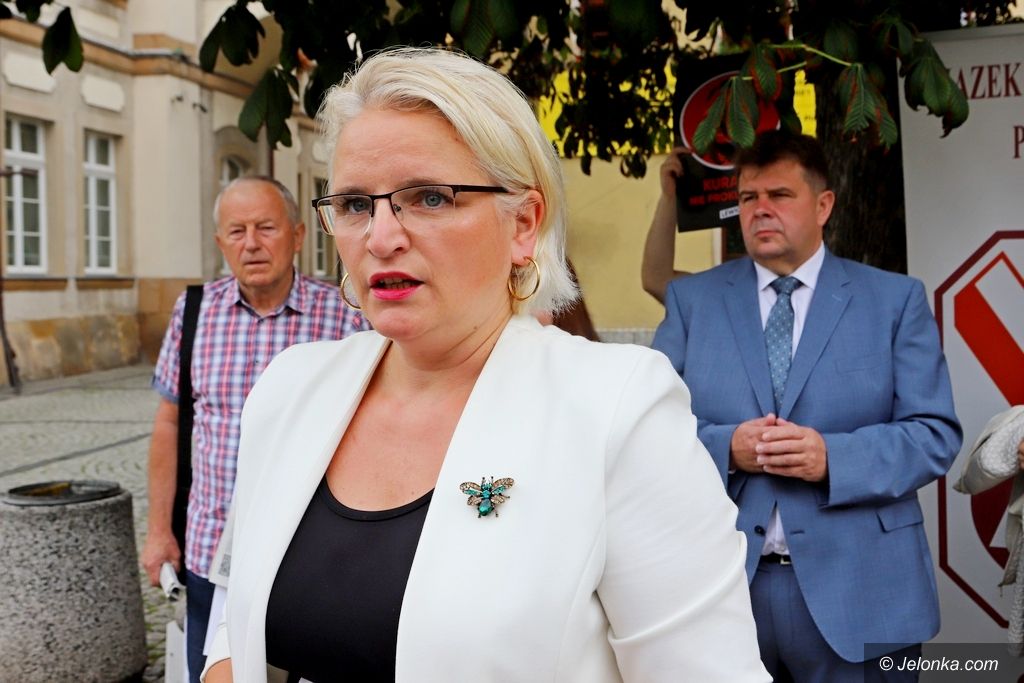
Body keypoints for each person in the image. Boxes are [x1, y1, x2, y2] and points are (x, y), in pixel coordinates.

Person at [202, 47, 768, 683]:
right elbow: (239, 613)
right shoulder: (289, 388)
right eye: (356, 204)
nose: (380, 238)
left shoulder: (616, 409)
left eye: (429, 198)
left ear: (523, 224)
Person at [652, 130, 962, 681]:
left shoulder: (894, 301)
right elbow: (651, 430)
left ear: (823, 206)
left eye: (779, 195)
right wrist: (726, 447)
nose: (760, 210)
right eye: (748, 198)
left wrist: (832, 458)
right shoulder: (692, 302)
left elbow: (933, 433)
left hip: (862, 589)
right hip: (724, 593)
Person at [141, 176, 368, 683]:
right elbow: (169, 422)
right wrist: (158, 531)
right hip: (208, 546)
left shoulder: (346, 315)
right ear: (220, 243)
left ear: (298, 234)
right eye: (236, 231)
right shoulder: (193, 311)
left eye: (266, 227)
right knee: (212, 671)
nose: (251, 243)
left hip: (305, 553)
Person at [641, 145, 693, 303]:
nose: (758, 210)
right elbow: (657, 281)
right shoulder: (731, 293)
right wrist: (670, 196)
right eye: (749, 197)